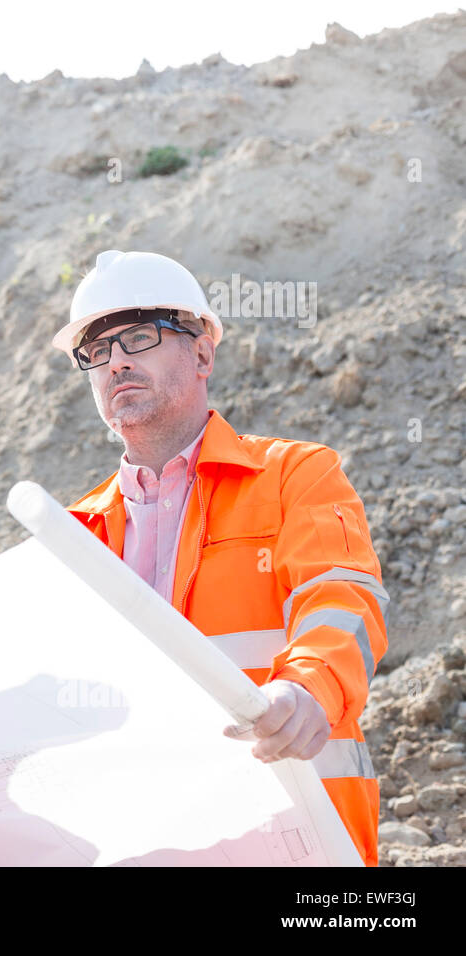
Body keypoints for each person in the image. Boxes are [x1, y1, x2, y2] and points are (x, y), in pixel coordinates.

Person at [55, 249, 387, 866]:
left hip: (296, 838)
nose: (116, 361)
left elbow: (340, 599)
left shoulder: (294, 476)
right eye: (96, 352)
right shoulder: (75, 534)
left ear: (203, 353)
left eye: (138, 336)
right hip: (148, 842)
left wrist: (308, 689)